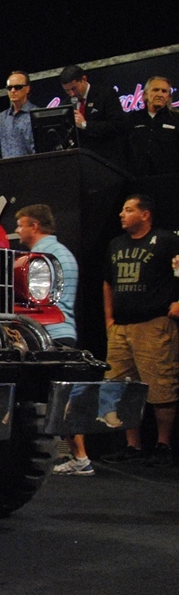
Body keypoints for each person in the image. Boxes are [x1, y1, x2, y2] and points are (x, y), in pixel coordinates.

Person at [101, 195, 179, 467]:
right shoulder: (116, 244)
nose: (122, 214)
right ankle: (132, 445)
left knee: (161, 386)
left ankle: (162, 445)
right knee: (122, 387)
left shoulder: (167, 240)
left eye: (129, 210)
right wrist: (109, 319)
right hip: (121, 328)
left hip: (153, 324)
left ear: (145, 215)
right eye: (122, 209)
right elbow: (108, 283)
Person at [14, 205, 87, 474]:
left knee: (57, 400)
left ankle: (80, 458)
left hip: (51, 334)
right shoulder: (59, 253)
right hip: (60, 332)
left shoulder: (45, 257)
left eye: (21, 225)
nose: (17, 230)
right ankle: (78, 458)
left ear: (35, 226)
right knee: (59, 398)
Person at [59, 64, 127, 167]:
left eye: (74, 88)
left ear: (84, 79)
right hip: (82, 163)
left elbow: (117, 125)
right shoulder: (65, 105)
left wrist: (85, 125)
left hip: (106, 160)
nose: (71, 94)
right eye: (67, 90)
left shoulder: (105, 94)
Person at [127, 75, 179, 178]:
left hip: (169, 179)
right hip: (137, 179)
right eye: (156, 90)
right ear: (145, 94)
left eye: (164, 91)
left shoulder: (176, 119)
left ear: (168, 97)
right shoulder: (131, 119)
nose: (160, 94)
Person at [0, 71, 39, 159]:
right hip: (7, 170)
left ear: (27, 89)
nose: (13, 91)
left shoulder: (37, 114)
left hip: (33, 168)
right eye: (9, 88)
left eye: (17, 87)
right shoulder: (2, 118)